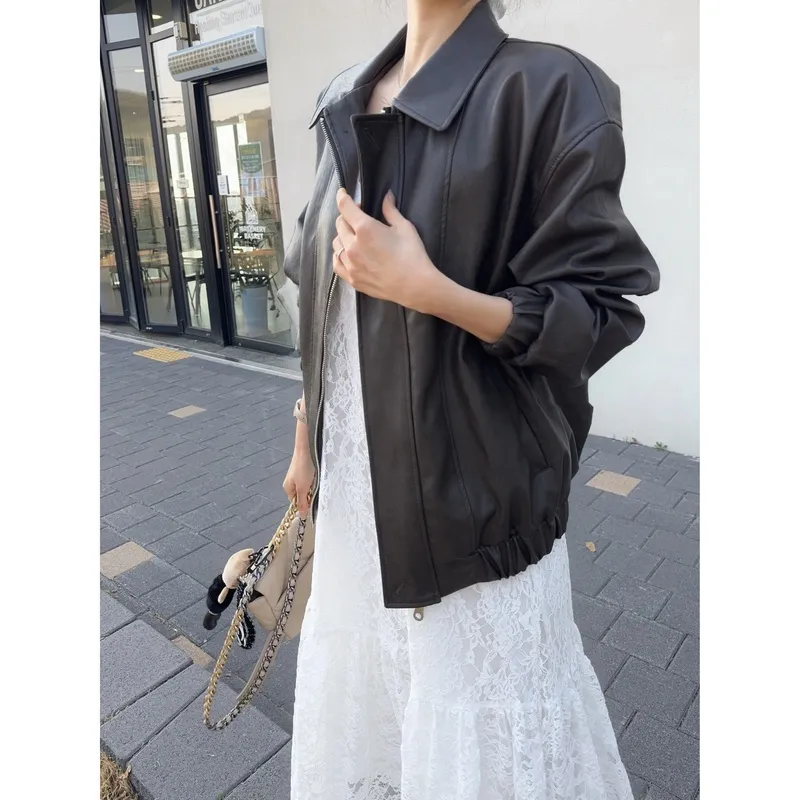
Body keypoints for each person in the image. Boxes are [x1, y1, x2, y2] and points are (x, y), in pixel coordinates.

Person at [282, 1, 659, 797]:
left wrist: (430, 290)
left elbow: (601, 311)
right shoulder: (342, 97)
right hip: (357, 508)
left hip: (472, 511)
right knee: (383, 723)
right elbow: (321, 300)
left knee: (480, 745)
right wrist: (305, 439)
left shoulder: (549, 88)